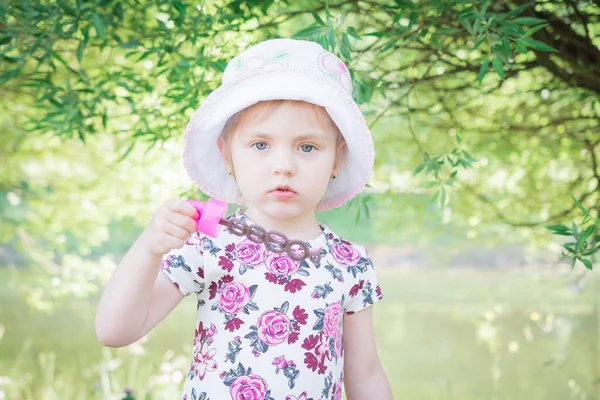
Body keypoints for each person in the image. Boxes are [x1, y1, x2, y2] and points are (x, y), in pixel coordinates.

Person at [95, 38, 392, 400]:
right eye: (260, 145)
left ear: (336, 159)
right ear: (228, 155)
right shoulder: (208, 245)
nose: (283, 166)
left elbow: (365, 376)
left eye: (308, 147)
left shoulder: (350, 265)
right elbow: (115, 331)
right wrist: (148, 249)